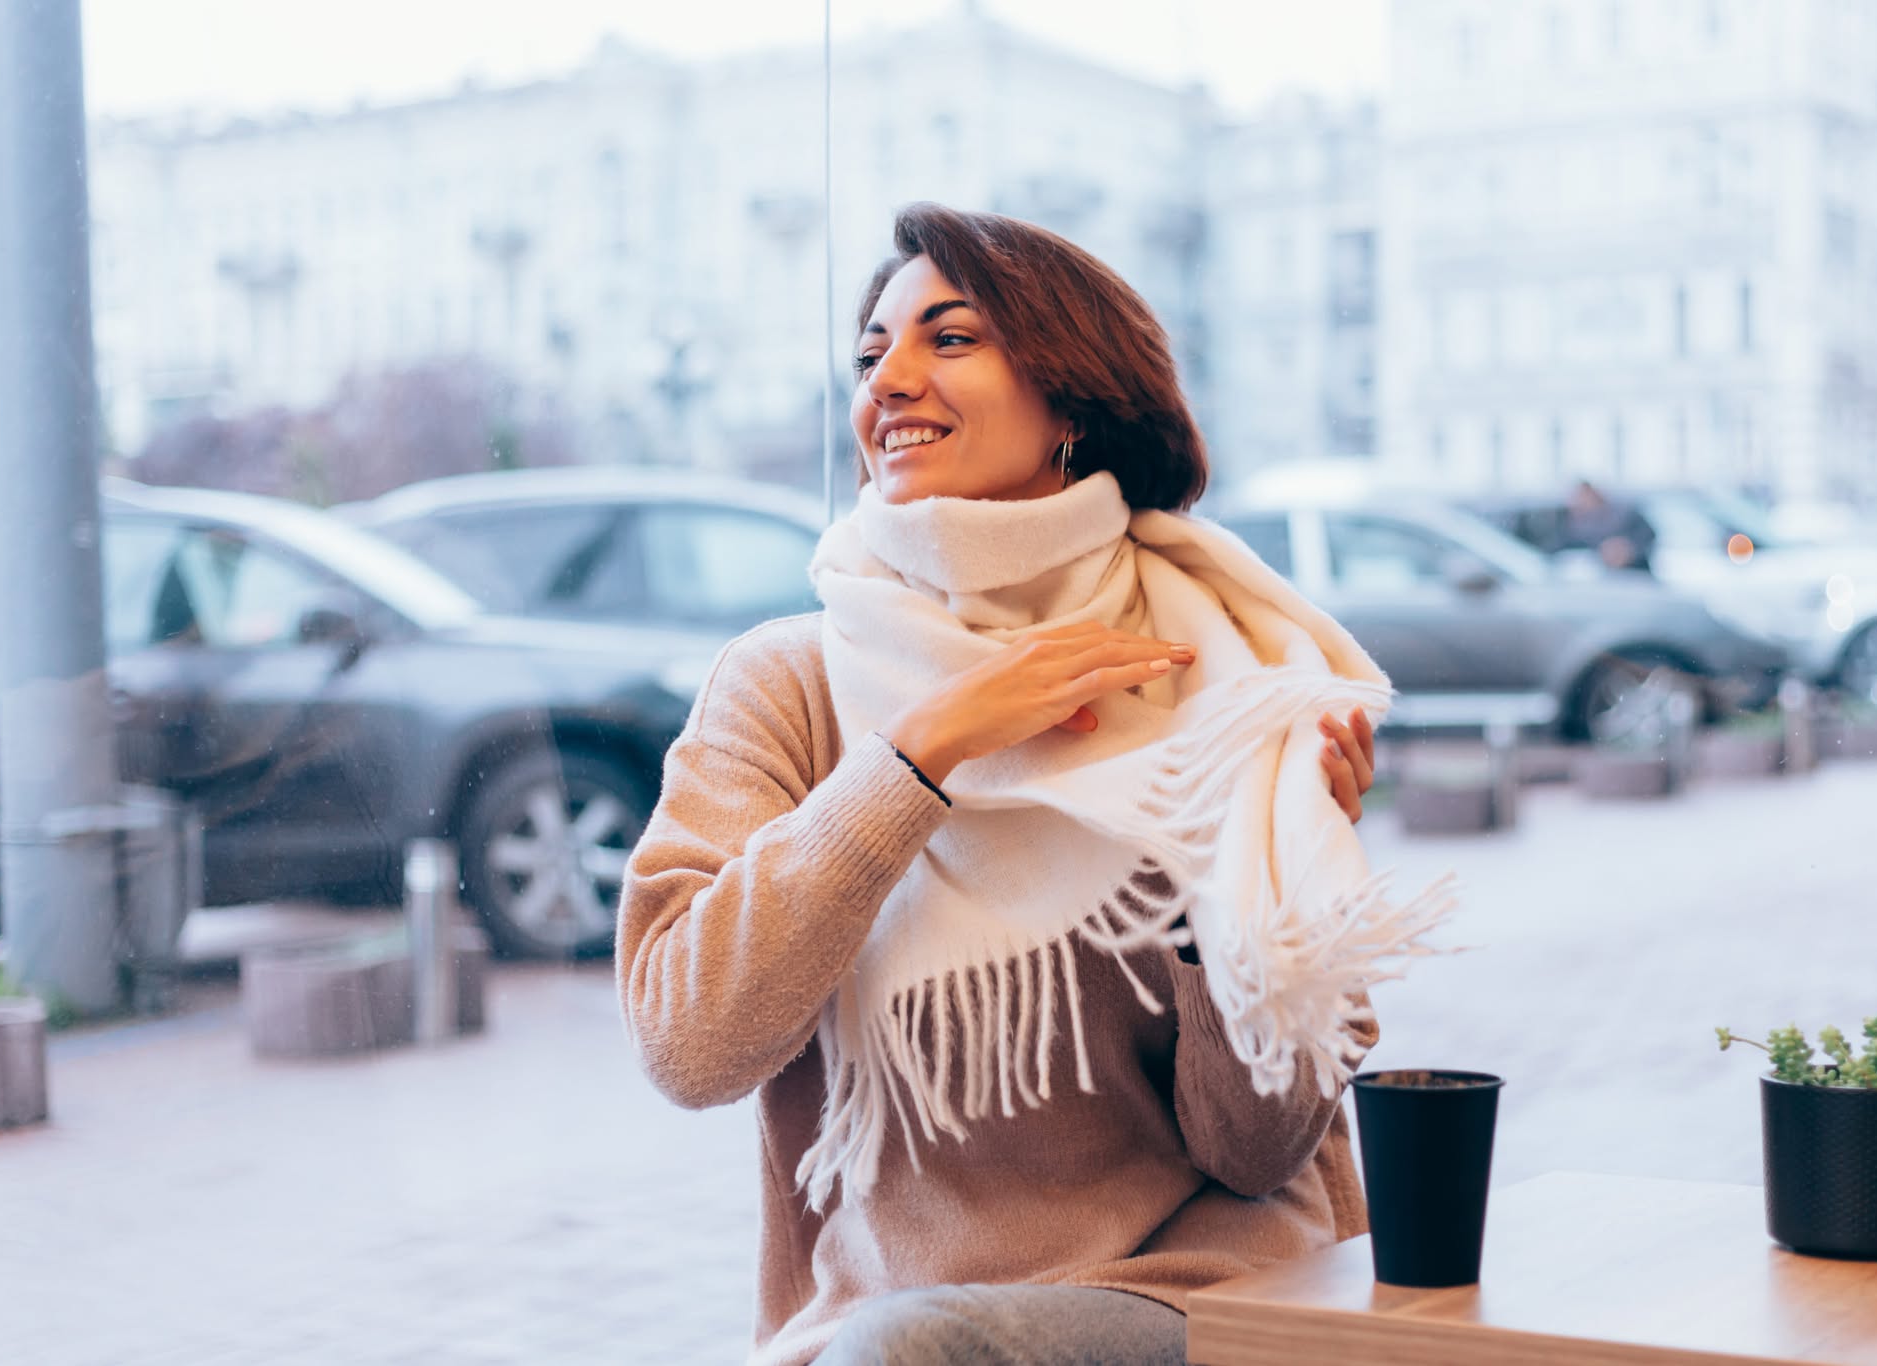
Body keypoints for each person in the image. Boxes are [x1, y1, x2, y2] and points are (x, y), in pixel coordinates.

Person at [617, 204, 1448, 1366]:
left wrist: (1248, 882)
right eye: (870, 353)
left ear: (1071, 397)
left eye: (948, 340)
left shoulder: (1227, 671)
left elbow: (1256, 1154)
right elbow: (689, 1044)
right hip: (882, 1321)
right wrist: (915, 757)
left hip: (1198, 1295)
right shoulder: (787, 681)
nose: (888, 380)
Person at [1563, 479, 1657, 572]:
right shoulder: (1579, 524)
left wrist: (1629, 548)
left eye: (1584, 497)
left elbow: (1650, 535)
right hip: (1606, 573)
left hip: (1637, 569)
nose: (1581, 503)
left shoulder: (1625, 512)